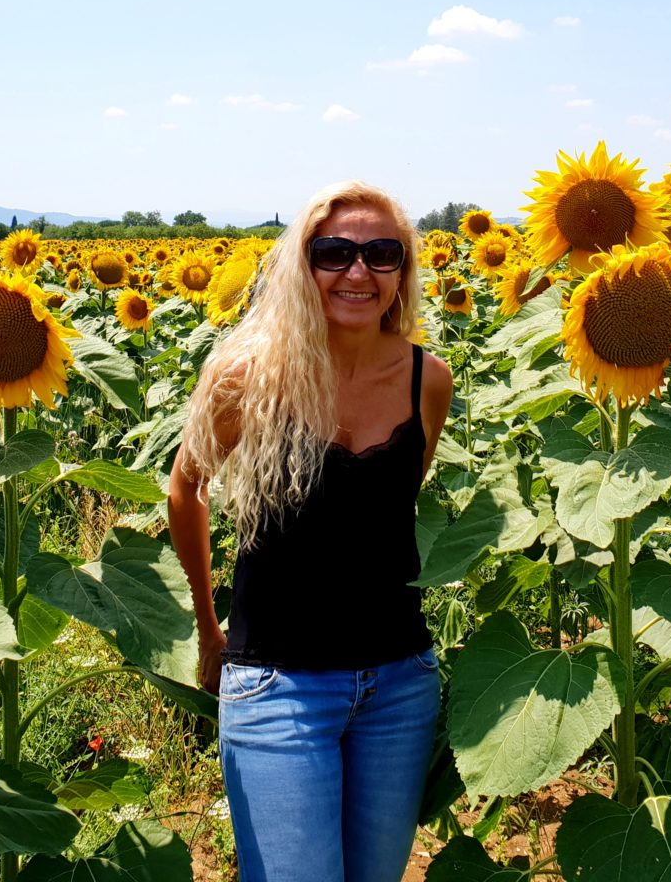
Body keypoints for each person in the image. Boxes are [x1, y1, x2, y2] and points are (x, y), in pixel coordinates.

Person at [167, 180, 454, 882]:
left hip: (398, 683)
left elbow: (395, 506)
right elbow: (186, 489)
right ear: (304, 264)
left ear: (403, 270)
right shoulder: (247, 377)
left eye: (382, 253)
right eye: (336, 252)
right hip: (277, 683)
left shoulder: (428, 380)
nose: (358, 272)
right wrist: (209, 627)